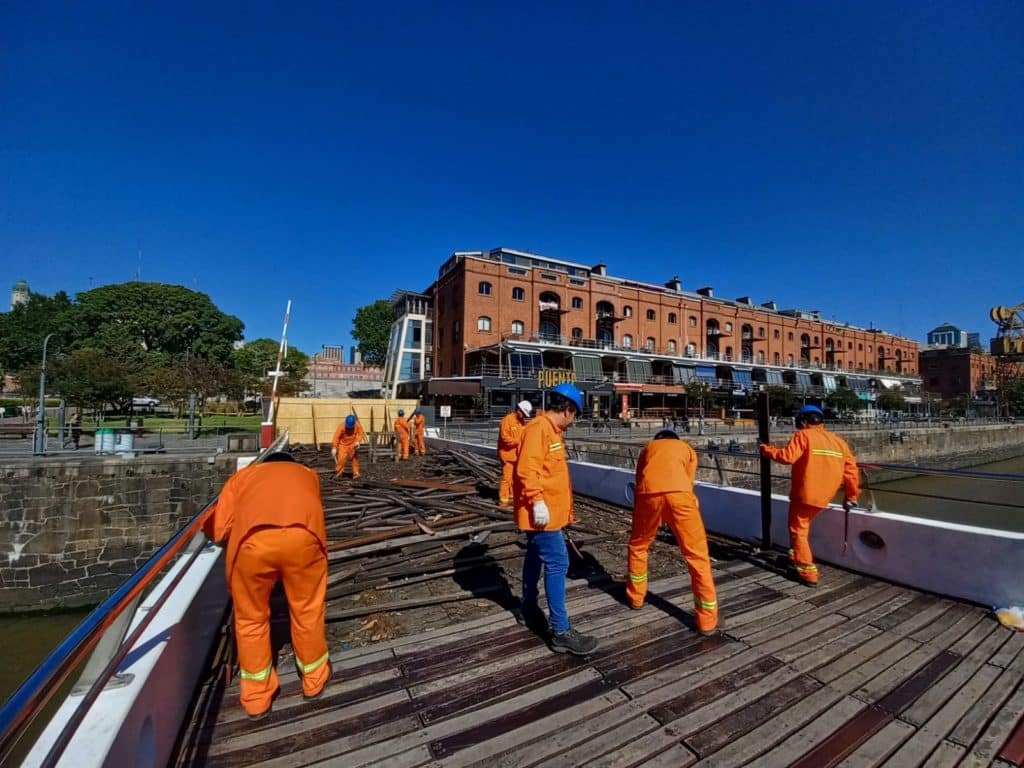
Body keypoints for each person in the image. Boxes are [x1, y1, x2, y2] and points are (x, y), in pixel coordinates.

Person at [202, 451, 331, 720]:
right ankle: (314, 679)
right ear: (292, 463)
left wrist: (205, 526)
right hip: (303, 538)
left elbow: (219, 529)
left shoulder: (243, 477)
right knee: (307, 610)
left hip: (252, 543)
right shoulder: (309, 475)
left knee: (251, 619)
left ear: (264, 464)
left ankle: (257, 698)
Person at [514, 382, 598, 656]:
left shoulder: (550, 431)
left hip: (547, 514)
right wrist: (537, 500)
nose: (572, 421)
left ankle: (528, 609)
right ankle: (560, 631)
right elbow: (528, 470)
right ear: (568, 409)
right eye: (574, 415)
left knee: (535, 557)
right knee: (558, 562)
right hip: (542, 515)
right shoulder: (540, 429)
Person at [627, 429, 718, 635]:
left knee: (639, 546)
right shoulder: (687, 449)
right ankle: (707, 621)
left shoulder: (648, 448)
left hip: (648, 495)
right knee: (697, 556)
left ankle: (636, 598)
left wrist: (645, 512)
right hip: (681, 497)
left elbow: (640, 477)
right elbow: (689, 482)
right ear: (675, 439)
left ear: (657, 439)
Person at [760, 404, 861, 586]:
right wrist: (851, 496)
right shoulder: (838, 441)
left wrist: (766, 449)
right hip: (825, 496)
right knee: (801, 529)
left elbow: (787, 457)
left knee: (798, 531)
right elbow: (851, 472)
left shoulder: (803, 435)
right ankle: (795, 555)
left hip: (805, 494)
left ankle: (808, 572)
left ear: (803, 421)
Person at [497, 400, 533, 509]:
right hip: (507, 455)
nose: (524, 416)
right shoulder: (507, 420)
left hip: (517, 456)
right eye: (523, 413)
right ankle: (503, 500)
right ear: (519, 410)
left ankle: (512, 497)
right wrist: (518, 441)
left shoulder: (522, 422)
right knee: (507, 478)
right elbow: (505, 438)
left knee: (515, 478)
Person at [331, 414, 365, 479]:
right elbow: (336, 437)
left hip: (353, 444)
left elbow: (360, 433)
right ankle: (339, 472)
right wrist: (334, 447)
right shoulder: (341, 426)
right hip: (343, 445)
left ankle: (356, 473)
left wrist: (358, 441)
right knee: (341, 459)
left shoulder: (357, 425)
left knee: (354, 459)